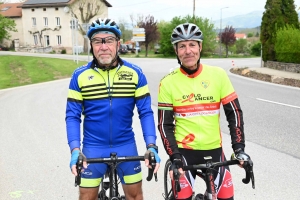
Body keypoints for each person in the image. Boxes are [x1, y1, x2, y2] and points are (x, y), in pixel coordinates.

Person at [66, 18, 160, 200]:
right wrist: (75, 150)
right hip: (93, 146)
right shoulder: (80, 76)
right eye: (97, 41)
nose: (103, 46)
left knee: (135, 196)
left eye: (108, 40)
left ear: (118, 44)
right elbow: (72, 116)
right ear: (91, 46)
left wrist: (151, 146)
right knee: (86, 197)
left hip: (125, 144)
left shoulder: (135, 73)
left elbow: (145, 112)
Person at [157, 22, 251, 200]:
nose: (188, 50)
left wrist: (239, 148)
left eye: (192, 44)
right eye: (182, 46)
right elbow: (164, 125)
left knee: (226, 196)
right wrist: (175, 157)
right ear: (176, 51)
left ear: (200, 47)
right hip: (184, 153)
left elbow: (234, 113)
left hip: (214, 150)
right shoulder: (167, 82)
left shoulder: (218, 75)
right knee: (182, 196)